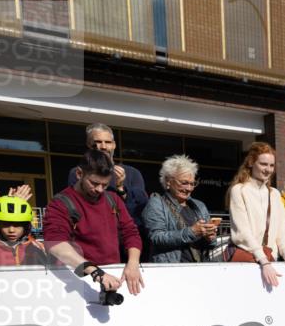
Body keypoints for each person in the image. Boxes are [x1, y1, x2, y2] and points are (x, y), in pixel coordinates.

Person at [45, 149, 144, 297]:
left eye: (104, 185)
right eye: (94, 183)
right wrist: (95, 271)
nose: (99, 189)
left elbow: (131, 232)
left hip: (113, 277)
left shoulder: (113, 199)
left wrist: (133, 263)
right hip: (79, 280)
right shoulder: (61, 203)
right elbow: (55, 243)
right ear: (79, 174)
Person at [226, 142, 285, 286]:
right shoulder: (239, 190)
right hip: (250, 261)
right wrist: (263, 260)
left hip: (270, 261)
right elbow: (242, 232)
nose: (268, 169)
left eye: (271, 165)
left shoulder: (275, 194)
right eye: (263, 164)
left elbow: (282, 231)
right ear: (251, 162)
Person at [67, 123, 149, 253]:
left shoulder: (132, 173)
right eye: (98, 142)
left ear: (114, 145)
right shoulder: (78, 173)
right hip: (92, 243)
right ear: (89, 145)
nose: (103, 146)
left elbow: (141, 210)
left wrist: (121, 188)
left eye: (107, 142)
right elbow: (77, 206)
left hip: (126, 245)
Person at [142, 155, 217, 263]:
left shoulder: (199, 206)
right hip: (171, 270)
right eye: (184, 183)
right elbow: (156, 238)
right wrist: (191, 232)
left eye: (192, 184)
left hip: (200, 269)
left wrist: (210, 238)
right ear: (168, 181)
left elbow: (211, 244)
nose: (189, 188)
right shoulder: (157, 204)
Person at [0, 195, 46, 266]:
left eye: (17, 225)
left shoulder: (36, 246)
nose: (11, 230)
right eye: (5, 224)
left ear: (26, 226)